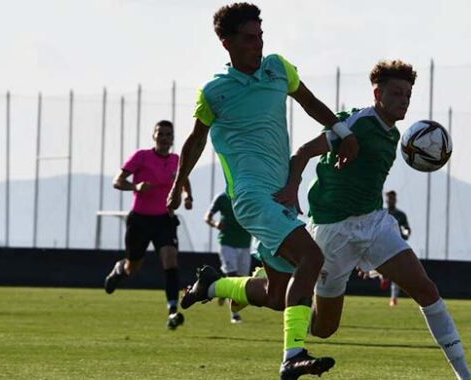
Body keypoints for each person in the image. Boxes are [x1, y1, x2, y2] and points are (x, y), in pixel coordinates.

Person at [166, 3, 358, 379]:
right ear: (227, 43)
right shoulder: (214, 92)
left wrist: (343, 131)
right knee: (312, 258)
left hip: (281, 198)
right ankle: (293, 355)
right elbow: (195, 140)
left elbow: (309, 102)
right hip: (252, 199)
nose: (258, 44)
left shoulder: (277, 68)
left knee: (275, 294)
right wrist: (179, 181)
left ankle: (212, 285)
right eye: (249, 38)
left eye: (260, 37)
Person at [273, 60, 471, 380]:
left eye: (408, 94)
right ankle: (265, 292)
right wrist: (292, 186)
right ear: (377, 93)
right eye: (396, 93)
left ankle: (466, 375)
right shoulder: (356, 123)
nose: (404, 100)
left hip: (374, 224)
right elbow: (302, 152)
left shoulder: (395, 136)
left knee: (425, 288)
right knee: (324, 329)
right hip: (332, 230)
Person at [103, 120, 193, 330]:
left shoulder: (176, 160)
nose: (164, 138)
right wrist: (135, 186)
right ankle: (120, 270)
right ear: (154, 136)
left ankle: (172, 310)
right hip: (140, 220)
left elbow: (184, 180)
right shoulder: (141, 157)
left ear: (172, 139)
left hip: (165, 219)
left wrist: (188, 196)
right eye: (160, 133)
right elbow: (117, 180)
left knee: (170, 260)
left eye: (168, 134)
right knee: (133, 267)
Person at [205, 192, 253, 323]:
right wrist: (215, 224)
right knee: (233, 277)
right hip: (226, 242)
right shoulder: (222, 198)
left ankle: (223, 290)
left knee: (242, 280)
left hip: (245, 243)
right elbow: (207, 217)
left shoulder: (250, 196)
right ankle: (235, 314)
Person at [383, 190, 410, 306]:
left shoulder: (401, 215)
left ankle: (393, 298)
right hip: (382, 244)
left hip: (396, 245)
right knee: (382, 268)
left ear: (395, 199)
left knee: (396, 272)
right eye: (389, 198)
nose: (391, 200)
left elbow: (406, 228)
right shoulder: (381, 213)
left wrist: (407, 232)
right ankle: (382, 276)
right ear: (386, 199)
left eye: (392, 198)